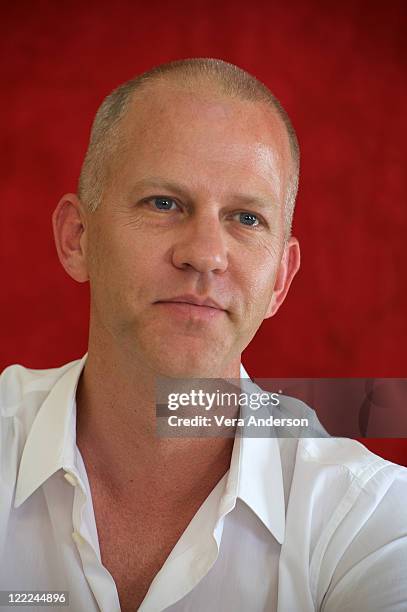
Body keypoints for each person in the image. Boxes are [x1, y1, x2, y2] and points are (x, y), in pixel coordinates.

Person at [0, 58, 406, 612]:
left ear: (280, 280)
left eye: (245, 219)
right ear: (78, 238)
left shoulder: (367, 517)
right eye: (164, 203)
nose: (205, 255)